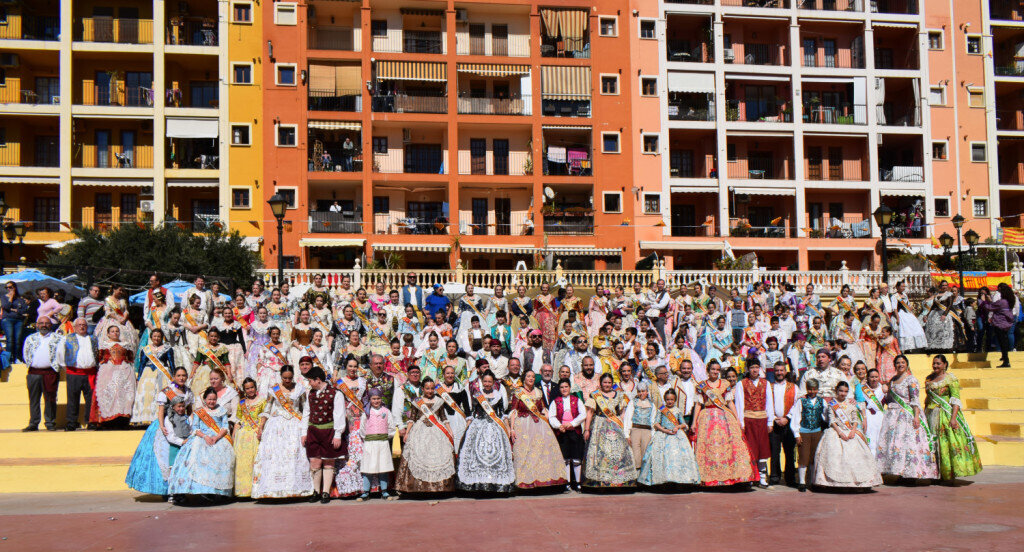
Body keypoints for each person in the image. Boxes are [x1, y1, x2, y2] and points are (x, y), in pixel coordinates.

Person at [125, 367, 194, 496]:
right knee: (163, 457)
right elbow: (161, 410)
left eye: (184, 375)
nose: (181, 378)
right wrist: (162, 426)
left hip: (182, 426)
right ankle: (165, 490)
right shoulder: (167, 391)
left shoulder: (188, 392)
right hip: (168, 424)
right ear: (174, 376)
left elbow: (189, 410)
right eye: (178, 375)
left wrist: (190, 424)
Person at [252, 365, 314, 499]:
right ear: (280, 376)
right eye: (285, 378)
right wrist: (261, 426)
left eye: (290, 378)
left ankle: (295, 488)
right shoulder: (274, 390)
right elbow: (267, 409)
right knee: (275, 456)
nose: (287, 380)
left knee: (294, 455)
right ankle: (272, 489)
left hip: (295, 425)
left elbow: (305, 410)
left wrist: (306, 427)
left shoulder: (299, 389)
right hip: (276, 426)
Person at [692, 361, 757, 487]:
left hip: (724, 417)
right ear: (708, 370)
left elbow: (730, 402)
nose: (715, 372)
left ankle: (730, 477)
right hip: (707, 418)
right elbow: (698, 404)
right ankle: (709, 478)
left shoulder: (725, 384)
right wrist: (694, 421)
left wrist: (737, 419)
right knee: (708, 448)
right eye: (713, 369)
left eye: (717, 369)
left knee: (728, 446)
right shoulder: (702, 386)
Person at [875, 354, 938, 481]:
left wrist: (916, 417)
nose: (900, 365)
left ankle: (912, 474)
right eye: (898, 363)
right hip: (893, 417)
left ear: (907, 364)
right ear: (894, 365)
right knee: (897, 444)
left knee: (909, 444)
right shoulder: (892, 380)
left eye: (903, 362)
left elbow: (915, 400)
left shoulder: (911, 380)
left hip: (908, 416)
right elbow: (889, 399)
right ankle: (899, 471)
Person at [167, 387, 235, 502]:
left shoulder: (222, 410)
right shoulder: (199, 412)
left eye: (214, 399)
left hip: (218, 438)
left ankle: (217, 492)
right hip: (201, 438)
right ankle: (196, 491)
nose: (211, 402)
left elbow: (225, 427)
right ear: (204, 399)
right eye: (209, 399)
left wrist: (217, 437)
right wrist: (205, 437)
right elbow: (195, 428)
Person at [813, 381, 882, 489]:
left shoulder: (851, 403)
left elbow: (855, 419)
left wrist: (853, 430)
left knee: (857, 455)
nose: (843, 393)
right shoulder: (832, 404)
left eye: (845, 391)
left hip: (851, 431)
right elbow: (832, 420)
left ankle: (858, 483)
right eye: (841, 391)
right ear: (836, 391)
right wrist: (840, 433)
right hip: (836, 431)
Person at [924, 354, 982, 481]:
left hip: (946, 414)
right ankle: (935, 473)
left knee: (947, 443)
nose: (935, 366)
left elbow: (955, 399)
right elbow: (927, 399)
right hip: (931, 414)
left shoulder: (951, 379)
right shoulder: (929, 379)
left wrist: (953, 418)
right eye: (934, 363)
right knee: (933, 443)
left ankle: (949, 473)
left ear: (945, 364)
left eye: (938, 363)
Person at [507, 370, 567, 490]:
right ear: (524, 378)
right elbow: (513, 411)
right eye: (529, 376)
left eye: (533, 377)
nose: (531, 379)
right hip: (523, 424)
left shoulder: (538, 392)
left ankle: (542, 480)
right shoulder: (518, 392)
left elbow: (543, 409)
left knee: (542, 453)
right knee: (525, 454)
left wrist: (552, 422)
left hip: (539, 425)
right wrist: (512, 429)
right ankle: (525, 481)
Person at [458, 370, 515, 493]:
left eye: (489, 381)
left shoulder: (498, 395)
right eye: (485, 381)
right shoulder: (477, 395)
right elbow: (473, 413)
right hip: (479, 425)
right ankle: (479, 483)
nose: (487, 383)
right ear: (481, 382)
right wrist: (469, 426)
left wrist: (507, 428)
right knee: (476, 454)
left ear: (493, 382)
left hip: (495, 426)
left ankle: (494, 482)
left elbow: (502, 414)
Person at [582, 373, 636, 488]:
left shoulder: (619, 395)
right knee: (601, 453)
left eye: (609, 382)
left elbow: (622, 413)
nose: (607, 385)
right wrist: (586, 429)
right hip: (600, 426)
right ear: (601, 383)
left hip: (616, 426)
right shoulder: (595, 395)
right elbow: (590, 412)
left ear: (612, 383)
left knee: (618, 452)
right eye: (605, 382)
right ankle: (601, 479)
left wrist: (623, 427)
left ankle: (619, 479)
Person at [637, 388, 701, 487]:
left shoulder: (677, 410)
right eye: (667, 399)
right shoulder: (662, 409)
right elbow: (656, 423)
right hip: (663, 435)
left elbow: (684, 424)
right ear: (665, 400)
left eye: (671, 399)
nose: (669, 401)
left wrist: (678, 427)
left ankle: (678, 479)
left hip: (676, 435)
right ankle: (663, 479)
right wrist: (664, 430)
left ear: (674, 400)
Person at [302, 366, 347, 503]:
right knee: (314, 461)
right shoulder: (311, 393)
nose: (309, 383)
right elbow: (306, 413)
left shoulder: (335, 393)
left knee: (328, 460)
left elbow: (339, 414)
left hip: (329, 431)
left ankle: (326, 492)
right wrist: (304, 432)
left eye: (310, 380)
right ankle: (316, 491)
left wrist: (338, 434)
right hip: (313, 431)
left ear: (318, 380)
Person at [57, 318, 101, 431]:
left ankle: (90, 421)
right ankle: (72, 421)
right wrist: (65, 366)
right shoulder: (67, 338)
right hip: (74, 372)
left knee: (90, 399)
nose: (82, 327)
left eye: (84, 325)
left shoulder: (93, 339)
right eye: (79, 325)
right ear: (75, 327)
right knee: (72, 398)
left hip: (90, 373)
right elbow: (60, 353)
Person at [735, 361, 772, 487]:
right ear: (748, 369)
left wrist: (770, 421)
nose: (755, 370)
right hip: (749, 419)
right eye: (752, 367)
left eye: (757, 367)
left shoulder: (766, 383)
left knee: (763, 448)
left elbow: (769, 403)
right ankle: (750, 476)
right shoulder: (741, 383)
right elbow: (739, 404)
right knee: (750, 448)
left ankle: (762, 476)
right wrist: (741, 422)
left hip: (762, 418)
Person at [787, 378, 826, 491]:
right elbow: (795, 418)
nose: (812, 391)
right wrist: (796, 434)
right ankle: (802, 482)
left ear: (818, 389)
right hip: (804, 432)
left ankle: (812, 481)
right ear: (807, 389)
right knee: (803, 457)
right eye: (810, 389)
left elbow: (826, 415)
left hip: (817, 431)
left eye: (814, 389)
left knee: (814, 457)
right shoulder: (801, 401)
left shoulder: (822, 401)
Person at [358, 388, 397, 500]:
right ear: (369, 399)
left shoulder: (386, 411)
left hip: (383, 442)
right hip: (370, 443)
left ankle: (384, 491)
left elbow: (391, 427)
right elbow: (362, 429)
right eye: (373, 399)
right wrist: (369, 438)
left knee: (383, 466)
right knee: (368, 467)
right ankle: (366, 491)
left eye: (378, 398)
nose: (376, 401)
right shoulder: (366, 412)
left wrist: (385, 436)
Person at [92, 328, 136, 426]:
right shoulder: (104, 345)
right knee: (109, 393)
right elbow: (99, 359)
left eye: (117, 331)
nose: (115, 333)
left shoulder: (126, 344)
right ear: (108, 334)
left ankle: (122, 419)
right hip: (108, 371)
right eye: (112, 331)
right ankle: (108, 420)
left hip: (124, 371)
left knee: (124, 394)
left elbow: (131, 358)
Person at [132, 329, 177, 425]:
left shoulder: (167, 348)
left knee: (161, 395)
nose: (156, 338)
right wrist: (139, 378)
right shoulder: (146, 349)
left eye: (158, 336)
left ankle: (161, 418)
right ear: (151, 337)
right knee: (147, 395)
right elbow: (142, 365)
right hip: (147, 374)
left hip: (163, 374)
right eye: (154, 336)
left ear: (162, 337)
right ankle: (145, 418)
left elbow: (172, 364)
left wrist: (174, 377)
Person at [232, 378, 267, 498]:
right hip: (243, 436)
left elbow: (265, 418)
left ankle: (256, 490)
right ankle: (243, 491)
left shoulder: (262, 402)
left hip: (256, 433)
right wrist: (234, 436)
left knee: (255, 462)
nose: (250, 390)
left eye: (252, 387)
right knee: (243, 464)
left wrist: (261, 430)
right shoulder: (241, 403)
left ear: (256, 387)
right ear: (244, 390)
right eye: (247, 388)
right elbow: (238, 420)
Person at [768, 363, 798, 486]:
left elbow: (797, 404)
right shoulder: (769, 387)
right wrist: (775, 418)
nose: (779, 373)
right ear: (773, 372)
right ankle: (775, 477)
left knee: (789, 452)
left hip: (788, 423)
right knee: (774, 452)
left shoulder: (794, 387)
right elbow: (767, 405)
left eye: (781, 370)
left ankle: (790, 479)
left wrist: (787, 418)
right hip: (774, 423)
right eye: (777, 370)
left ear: (785, 372)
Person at [979, 284, 1015, 367]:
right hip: (1006, 324)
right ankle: (1004, 357)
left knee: (1002, 342)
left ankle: (1006, 361)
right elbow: (996, 306)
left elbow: (989, 307)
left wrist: (984, 301)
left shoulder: (1002, 302)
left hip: (999, 323)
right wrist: (990, 301)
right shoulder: (1009, 301)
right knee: (1004, 341)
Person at [628, 382, 655, 470]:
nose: (641, 393)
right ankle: (636, 474)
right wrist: (627, 434)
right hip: (635, 429)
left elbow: (653, 420)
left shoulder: (652, 405)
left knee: (645, 452)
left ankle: (643, 476)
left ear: (647, 392)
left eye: (643, 391)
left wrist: (653, 434)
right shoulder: (633, 402)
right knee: (635, 452)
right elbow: (628, 418)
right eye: (639, 391)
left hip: (647, 431)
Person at [1, 281, 28, 362]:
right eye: (7, 287)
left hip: (18, 320)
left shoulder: (20, 299)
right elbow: (5, 307)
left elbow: (23, 310)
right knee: (10, 340)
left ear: (15, 287)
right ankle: (9, 358)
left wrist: (13, 309)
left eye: (10, 287)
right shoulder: (4, 297)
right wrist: (11, 298)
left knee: (18, 340)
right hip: (7, 320)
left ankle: (17, 357)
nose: (9, 289)